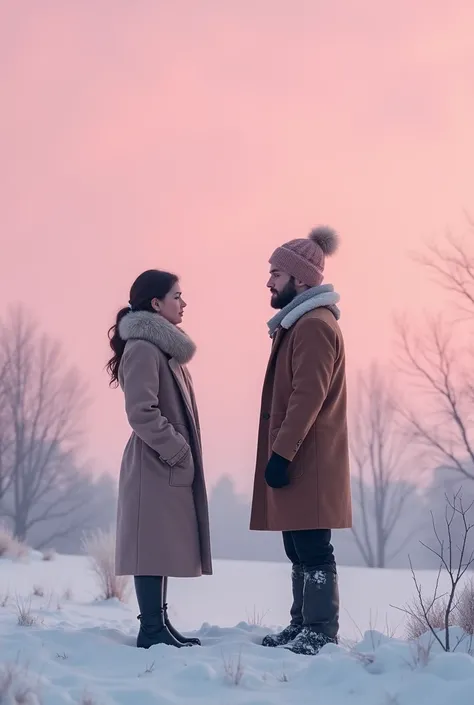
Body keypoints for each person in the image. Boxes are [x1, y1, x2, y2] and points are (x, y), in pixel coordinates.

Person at [250, 226, 352, 656]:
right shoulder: (300, 323)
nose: (269, 281)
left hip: (307, 459)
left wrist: (281, 453)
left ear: (303, 280)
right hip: (299, 458)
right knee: (297, 546)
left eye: (276, 273)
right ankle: (302, 625)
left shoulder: (313, 326)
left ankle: (320, 631)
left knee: (313, 548)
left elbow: (306, 398)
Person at [107, 269, 212, 649]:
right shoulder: (142, 348)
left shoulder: (161, 349)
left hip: (163, 463)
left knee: (160, 545)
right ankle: (150, 628)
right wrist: (178, 450)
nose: (184, 303)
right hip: (154, 462)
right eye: (177, 296)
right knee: (150, 547)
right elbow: (141, 412)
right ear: (156, 303)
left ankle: (159, 626)